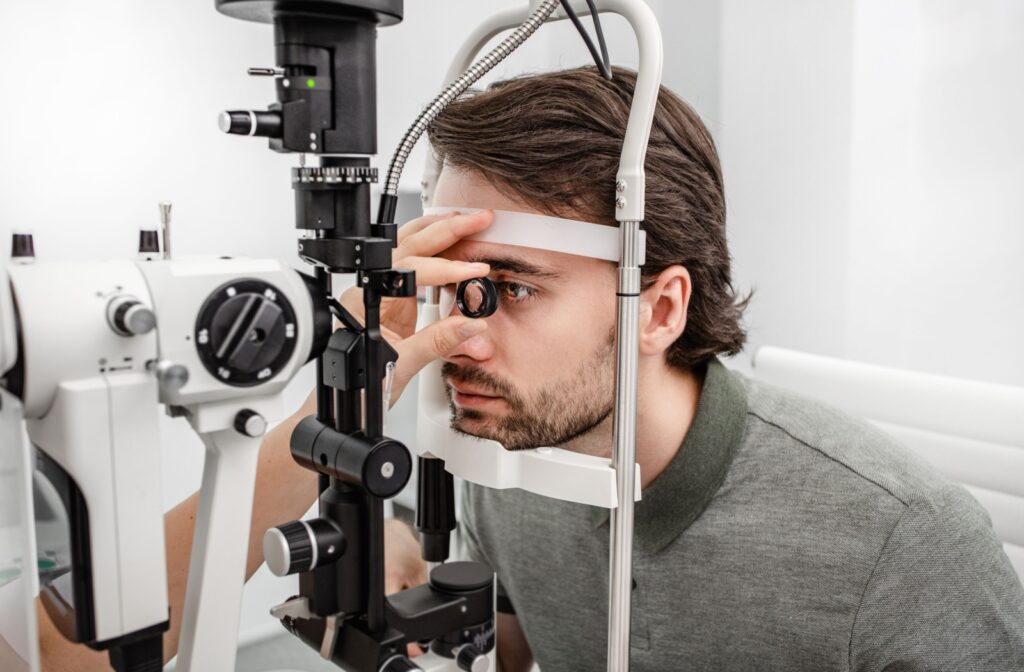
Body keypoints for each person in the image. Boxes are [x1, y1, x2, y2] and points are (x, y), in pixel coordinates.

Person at [39, 67, 1024, 671]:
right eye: (448, 287)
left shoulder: (904, 546)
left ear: (662, 308)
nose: (457, 338)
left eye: (506, 288)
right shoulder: (512, 463)